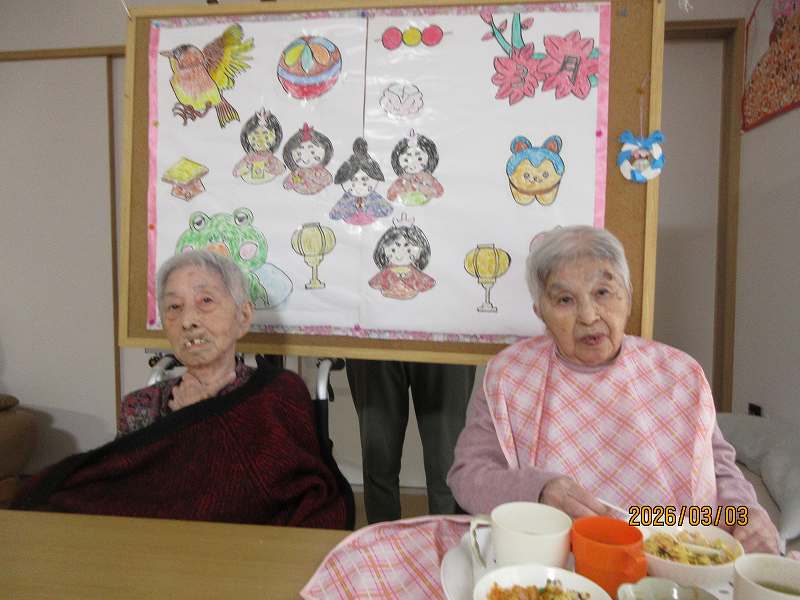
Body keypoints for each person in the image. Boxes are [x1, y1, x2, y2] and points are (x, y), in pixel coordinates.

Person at [447, 225, 780, 553]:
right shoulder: (510, 374)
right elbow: (469, 475)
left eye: (603, 293)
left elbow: (717, 466)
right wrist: (538, 490)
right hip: (554, 553)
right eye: (565, 299)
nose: (588, 316)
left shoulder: (680, 373)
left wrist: (745, 513)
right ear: (540, 313)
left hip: (672, 552)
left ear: (628, 295)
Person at [13, 250, 353, 529]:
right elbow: (128, 499)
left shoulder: (279, 393)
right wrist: (194, 424)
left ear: (243, 317)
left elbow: (304, 497)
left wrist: (201, 421)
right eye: (174, 307)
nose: (188, 320)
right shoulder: (141, 406)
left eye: (206, 301)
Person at [346, 359, 476, 524]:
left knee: (446, 470)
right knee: (378, 465)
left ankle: (447, 538)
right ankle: (382, 538)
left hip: (447, 346)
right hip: (374, 347)